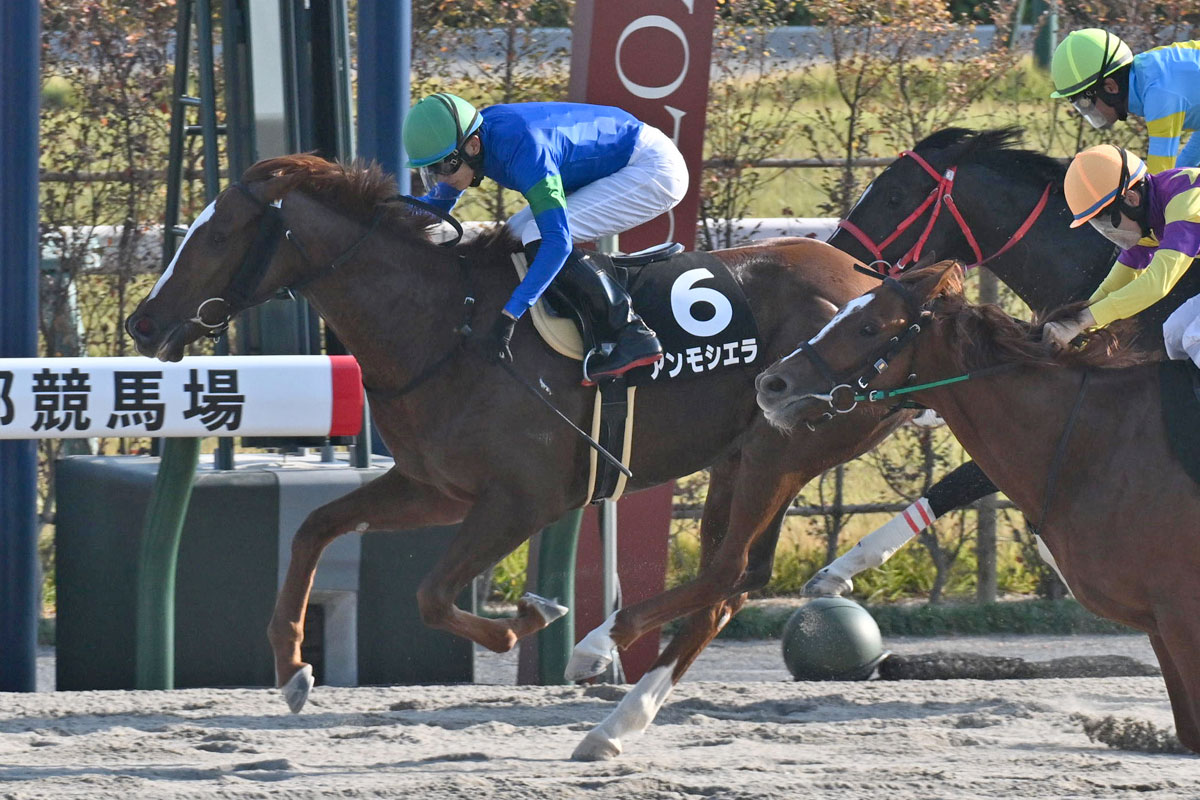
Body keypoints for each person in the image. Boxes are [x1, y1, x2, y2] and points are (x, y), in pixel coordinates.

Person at [401, 92, 688, 380]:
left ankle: (631, 332)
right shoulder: (472, 141)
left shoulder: (524, 151)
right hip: (614, 163)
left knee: (537, 234)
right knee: (511, 236)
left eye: (442, 167)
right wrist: (379, 214)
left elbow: (557, 242)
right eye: (431, 169)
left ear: (473, 146)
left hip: (653, 169)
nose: (441, 178)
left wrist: (510, 315)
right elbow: (435, 206)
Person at [1042, 144, 1200, 364]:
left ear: (1131, 199)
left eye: (1107, 221)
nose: (1108, 232)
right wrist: (1078, 322)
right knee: (1175, 334)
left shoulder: (1186, 204)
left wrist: (1081, 323)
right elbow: (1114, 285)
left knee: (1196, 338)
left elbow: (1157, 285)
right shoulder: (1149, 216)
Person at [1051, 29, 1200, 173]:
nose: (1087, 112)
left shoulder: (1159, 96)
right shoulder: (1148, 72)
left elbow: (1159, 180)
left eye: (1085, 103)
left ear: (1110, 87)